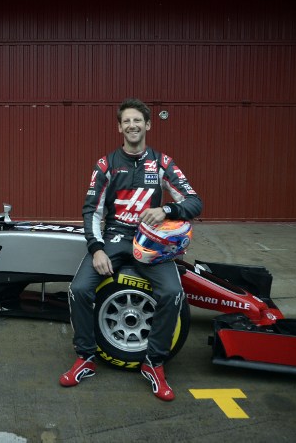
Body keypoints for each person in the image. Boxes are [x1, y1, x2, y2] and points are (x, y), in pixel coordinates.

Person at [60, 98, 202, 401]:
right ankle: (85, 357)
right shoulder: (106, 164)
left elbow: (194, 202)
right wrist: (97, 249)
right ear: (119, 127)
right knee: (79, 289)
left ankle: (153, 362)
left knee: (173, 293)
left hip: (150, 241)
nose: (132, 126)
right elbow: (93, 212)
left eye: (138, 120)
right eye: (127, 121)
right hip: (114, 236)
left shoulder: (162, 163)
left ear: (148, 125)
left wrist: (167, 210)